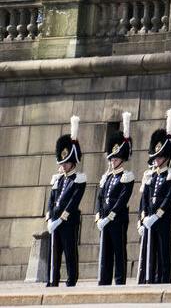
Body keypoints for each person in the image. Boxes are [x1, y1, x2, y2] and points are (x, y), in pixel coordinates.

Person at [139, 116, 171, 285]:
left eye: (159, 156)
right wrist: (143, 216)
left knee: (164, 250)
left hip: (163, 218)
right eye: (155, 156)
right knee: (150, 250)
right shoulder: (151, 175)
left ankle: (164, 279)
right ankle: (149, 278)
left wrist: (157, 215)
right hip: (149, 217)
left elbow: (169, 197)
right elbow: (145, 197)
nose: (156, 159)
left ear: (166, 157)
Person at [45, 116, 85, 288]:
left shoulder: (79, 179)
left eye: (66, 162)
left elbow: (73, 201)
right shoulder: (58, 179)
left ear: (72, 162)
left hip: (68, 221)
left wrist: (61, 218)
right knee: (53, 252)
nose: (63, 165)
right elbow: (51, 199)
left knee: (69, 252)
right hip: (55, 220)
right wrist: (49, 217)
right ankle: (52, 279)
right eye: (62, 162)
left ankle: (71, 279)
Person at [97, 114, 135, 286]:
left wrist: (110, 215)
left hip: (117, 219)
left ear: (122, 159)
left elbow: (122, 198)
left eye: (116, 159)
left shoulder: (126, 176)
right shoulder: (107, 177)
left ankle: (119, 280)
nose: (113, 161)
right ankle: (104, 280)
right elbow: (100, 197)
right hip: (105, 219)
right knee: (105, 251)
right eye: (112, 159)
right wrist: (99, 215)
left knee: (119, 251)